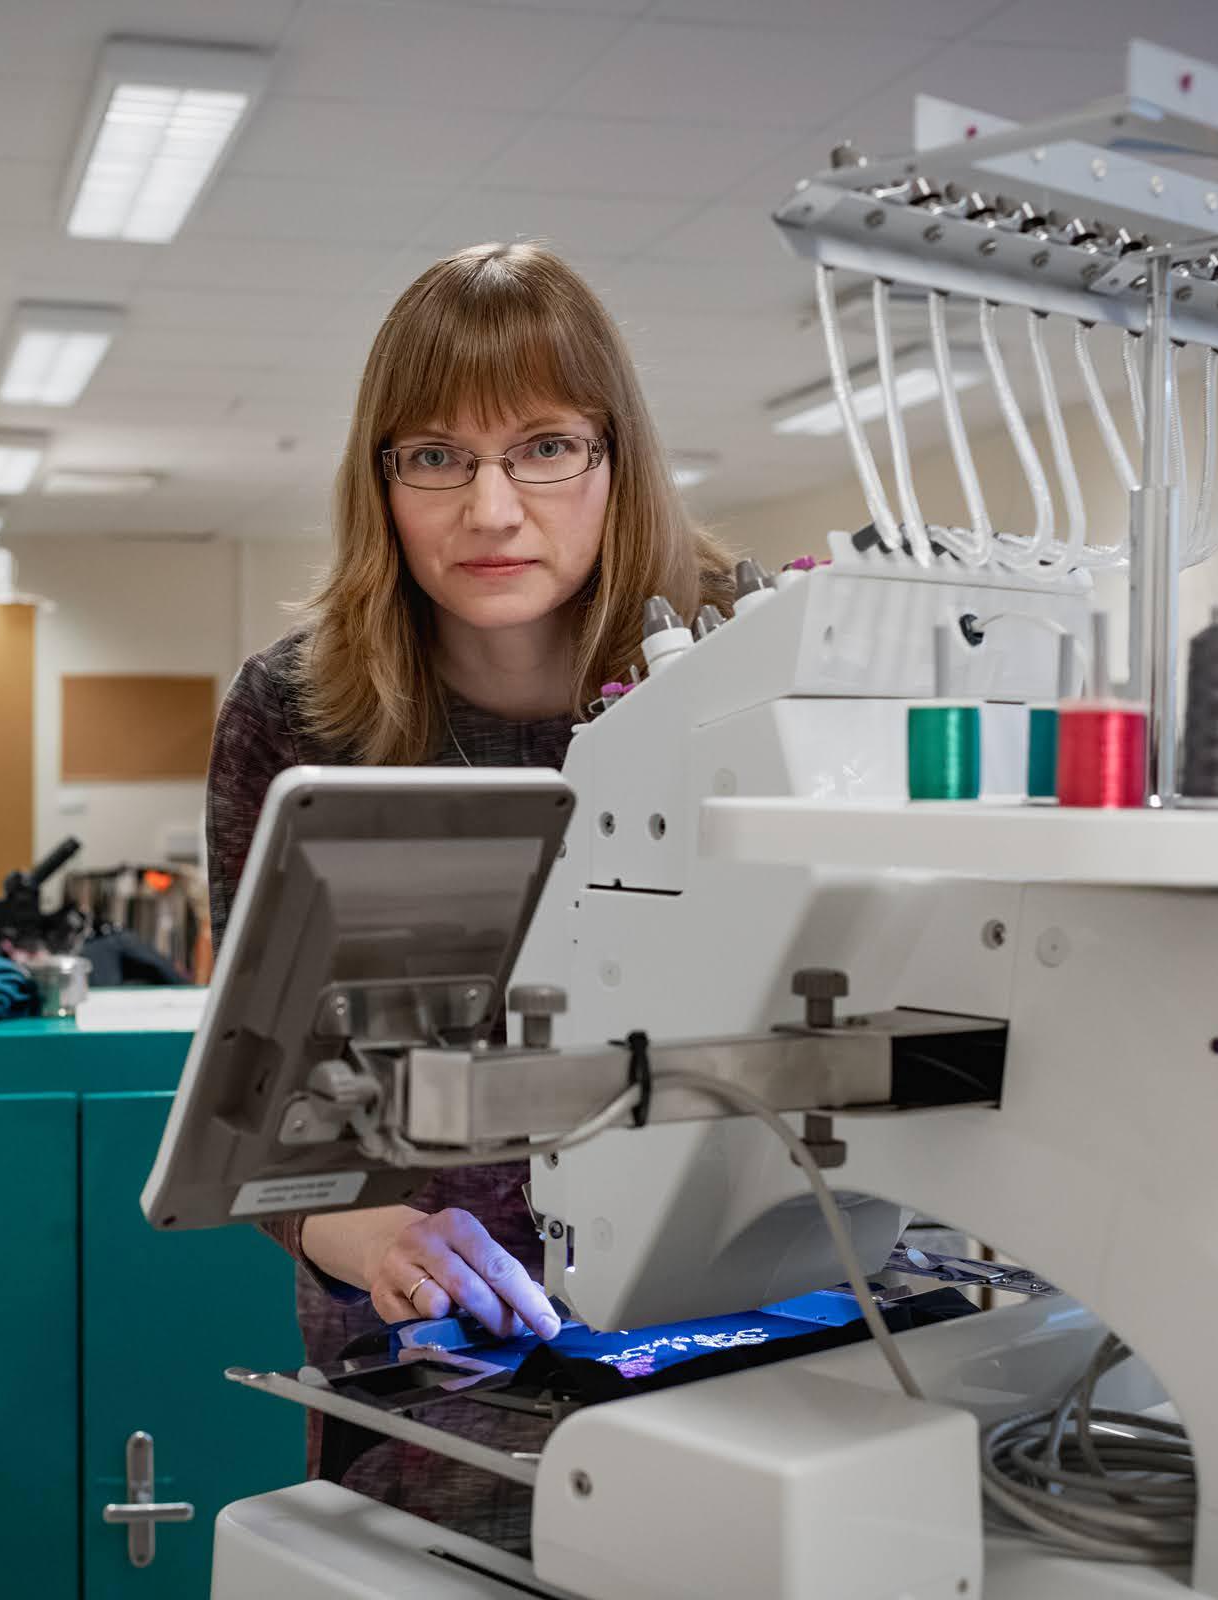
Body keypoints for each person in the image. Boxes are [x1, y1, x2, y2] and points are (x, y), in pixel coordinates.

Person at [203, 240, 737, 1548]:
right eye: (436, 456)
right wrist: (352, 1228)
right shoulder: (296, 713)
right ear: (380, 480)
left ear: (617, 461)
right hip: (423, 1334)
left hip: (707, 1292)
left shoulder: (725, 686)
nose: (492, 507)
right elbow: (257, 1096)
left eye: (546, 446)